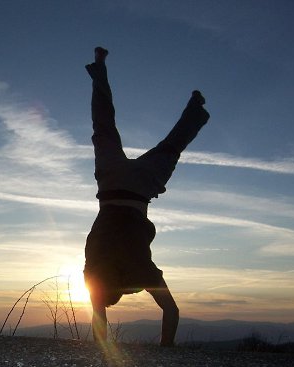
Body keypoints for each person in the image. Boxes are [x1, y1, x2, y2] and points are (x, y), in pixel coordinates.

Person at [84, 47, 210, 346]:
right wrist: (102, 346)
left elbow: (172, 311)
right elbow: (99, 315)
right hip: (111, 183)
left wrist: (166, 349)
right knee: (103, 126)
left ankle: (196, 109)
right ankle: (99, 69)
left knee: (171, 147)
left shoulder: (143, 273)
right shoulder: (94, 274)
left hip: (140, 189)